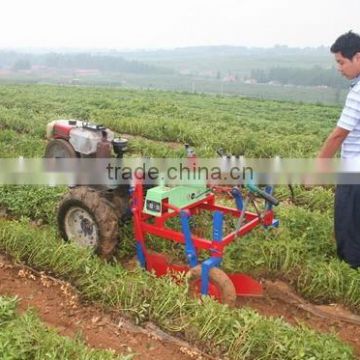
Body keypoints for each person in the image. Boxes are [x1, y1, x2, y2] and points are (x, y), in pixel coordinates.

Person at [318, 31, 360, 268]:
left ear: (358, 58)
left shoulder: (358, 93)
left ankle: (349, 274)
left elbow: (338, 135)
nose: (339, 68)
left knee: (349, 228)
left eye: (341, 62)